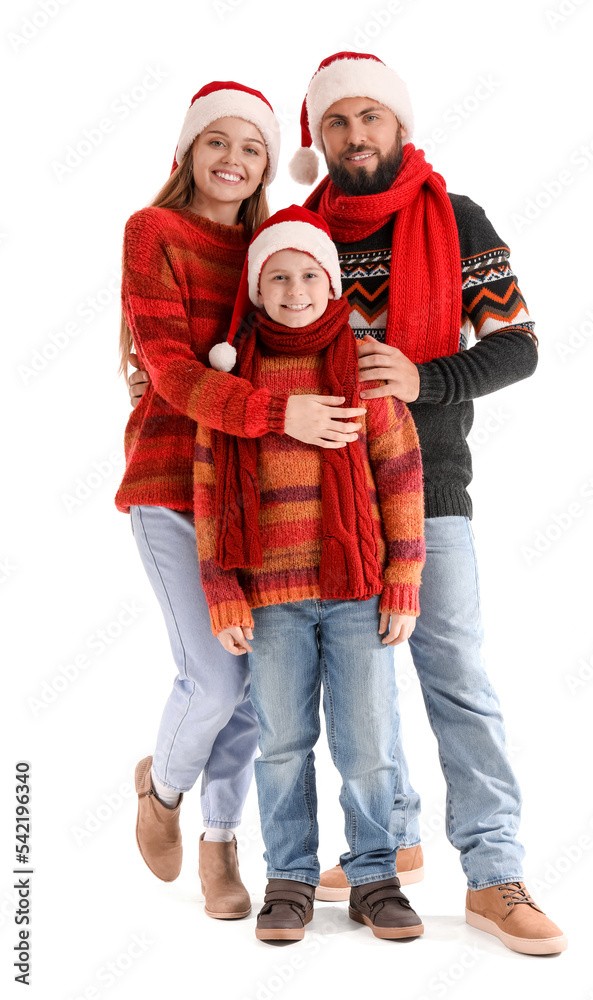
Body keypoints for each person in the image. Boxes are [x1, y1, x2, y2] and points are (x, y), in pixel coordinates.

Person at [284, 51, 567, 956]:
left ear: (400, 127)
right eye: (336, 122)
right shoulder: (297, 232)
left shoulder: (454, 218)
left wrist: (421, 377)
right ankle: (393, 837)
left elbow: (518, 346)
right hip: (322, 495)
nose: (354, 136)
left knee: (454, 675)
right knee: (358, 685)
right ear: (316, 137)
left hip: (429, 487)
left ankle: (495, 872)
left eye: (369, 118)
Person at [115, 81, 365, 920]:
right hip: (170, 483)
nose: (234, 160)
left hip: (256, 493)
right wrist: (276, 412)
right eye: (216, 142)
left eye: (252, 147)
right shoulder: (153, 233)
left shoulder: (271, 246)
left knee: (257, 686)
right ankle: (163, 795)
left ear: (268, 164)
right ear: (186, 152)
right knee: (213, 681)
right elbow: (174, 370)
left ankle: (220, 849)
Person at [194, 205, 426, 942]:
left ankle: (372, 877)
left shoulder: (365, 368)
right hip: (270, 597)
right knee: (283, 741)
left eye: (307, 274)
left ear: (331, 284)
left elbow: (400, 477)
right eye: (277, 276)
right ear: (257, 291)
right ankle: (289, 878)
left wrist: (404, 579)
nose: (294, 288)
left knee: (365, 743)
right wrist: (223, 589)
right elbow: (208, 491)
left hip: (357, 590)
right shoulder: (233, 388)